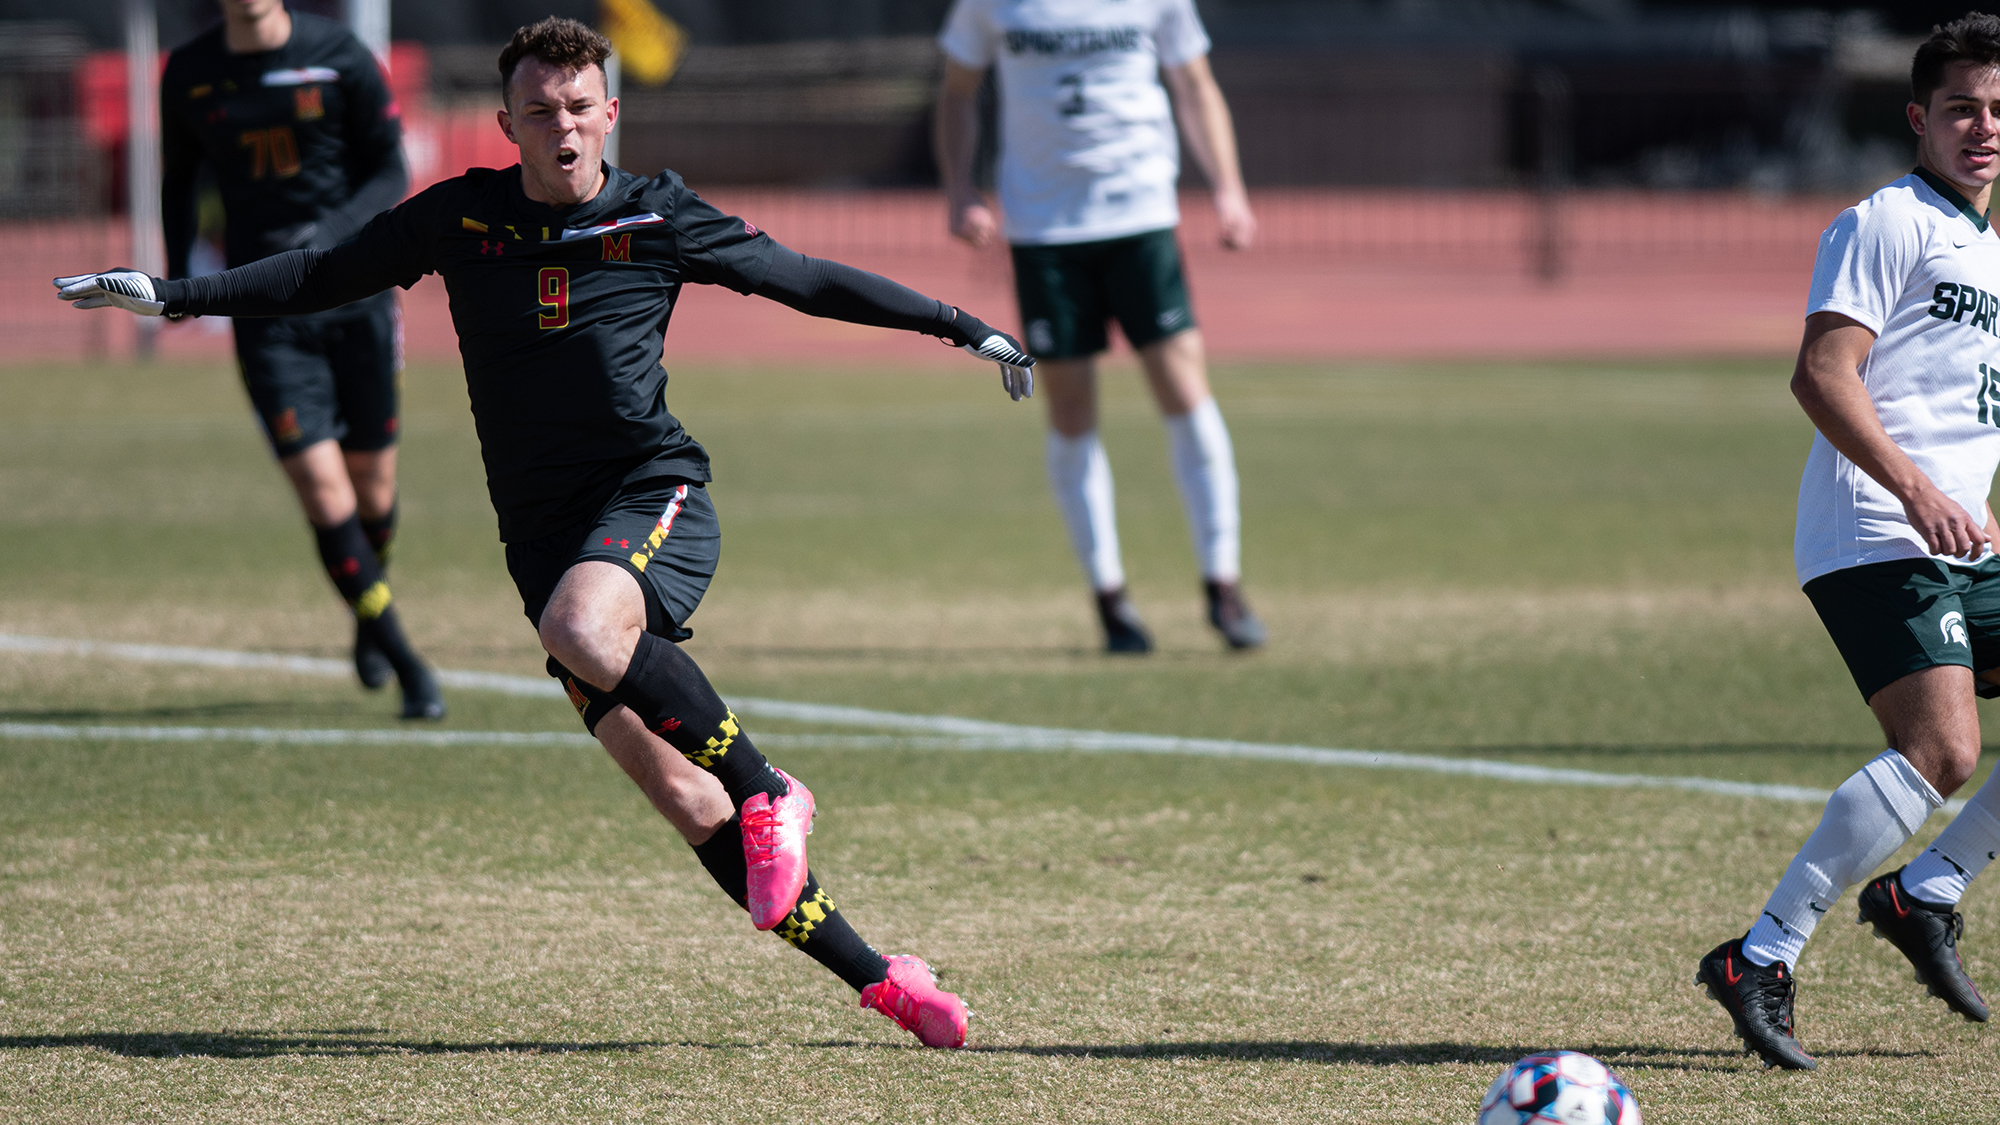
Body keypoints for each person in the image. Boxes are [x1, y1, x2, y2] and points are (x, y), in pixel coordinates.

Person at [59, 16, 1037, 1049]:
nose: (562, 127)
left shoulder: (657, 216)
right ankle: (881, 978)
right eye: (540, 110)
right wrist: (171, 297)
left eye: (579, 107)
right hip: (542, 546)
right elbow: (315, 274)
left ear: (608, 114)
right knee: (680, 797)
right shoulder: (459, 221)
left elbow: (805, 278)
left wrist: (955, 321)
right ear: (507, 124)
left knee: (599, 647)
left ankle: (772, 787)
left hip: (650, 496)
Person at [1695, 13, 2000, 1070]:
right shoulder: (1884, 221)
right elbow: (1820, 374)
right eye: (1960, 107)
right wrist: (1917, 490)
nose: (1982, 126)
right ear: (1917, 118)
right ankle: (1758, 957)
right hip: (1875, 528)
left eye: (1998, 109)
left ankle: (1928, 888)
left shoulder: (1985, 248)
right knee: (1941, 749)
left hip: (1954, 532)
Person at [935, 0, 1266, 654]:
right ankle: (1111, 599)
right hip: (1044, 227)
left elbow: (1195, 84)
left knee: (1183, 388)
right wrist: (960, 189)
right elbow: (957, 93)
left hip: (1140, 212)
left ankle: (1222, 584)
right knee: (1071, 406)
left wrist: (1228, 188)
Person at [160, 0, 443, 718]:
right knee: (324, 492)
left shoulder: (340, 55)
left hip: (358, 302)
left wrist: (331, 238)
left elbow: (389, 172)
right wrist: (176, 285)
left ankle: (364, 608)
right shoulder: (189, 73)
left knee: (373, 491)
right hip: (265, 313)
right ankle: (405, 656)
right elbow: (179, 180)